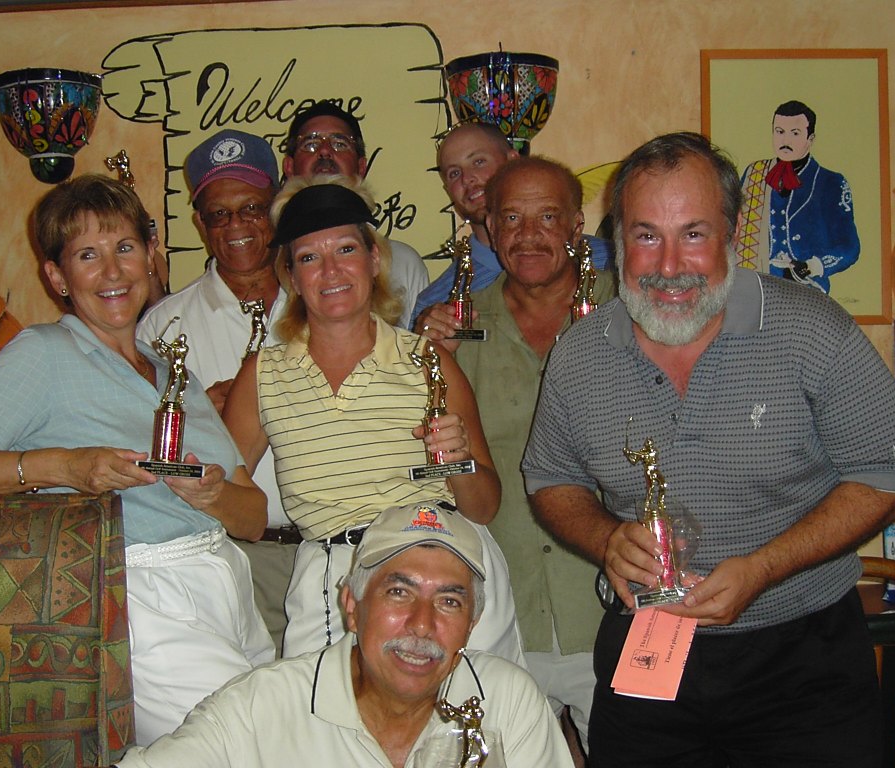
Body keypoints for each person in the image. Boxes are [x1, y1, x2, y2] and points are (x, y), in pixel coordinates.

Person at [522, 131, 895, 766]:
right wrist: (606, 539)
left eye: (693, 234)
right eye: (647, 235)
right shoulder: (578, 356)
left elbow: (888, 474)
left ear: (730, 235)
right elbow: (550, 480)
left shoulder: (812, 330)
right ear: (618, 241)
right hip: (647, 654)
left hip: (803, 659)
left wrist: (763, 569)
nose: (670, 266)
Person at [0, 174, 274, 747]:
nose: (112, 271)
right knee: (252, 746)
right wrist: (66, 467)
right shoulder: (43, 352)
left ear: (150, 254)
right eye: (87, 255)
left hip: (228, 583)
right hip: (138, 594)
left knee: (264, 740)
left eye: (124, 247)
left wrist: (212, 494)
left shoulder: (173, 373)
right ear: (57, 277)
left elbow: (252, 517)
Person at [222, 176, 524, 664]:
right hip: (333, 582)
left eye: (346, 249)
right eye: (309, 258)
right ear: (291, 277)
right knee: (327, 714)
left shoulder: (428, 361)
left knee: (466, 713)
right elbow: (233, 501)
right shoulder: (263, 375)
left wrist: (460, 460)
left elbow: (485, 506)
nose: (331, 271)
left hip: (442, 563)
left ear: (374, 259)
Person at [116, 502, 574, 768]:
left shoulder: (507, 700)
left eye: (449, 602)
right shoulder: (263, 706)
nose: (422, 624)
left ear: (472, 624)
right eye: (399, 592)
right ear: (352, 606)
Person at [422, 155, 616, 755]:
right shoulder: (453, 329)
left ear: (577, 225)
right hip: (500, 615)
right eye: (511, 218)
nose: (528, 235)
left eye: (548, 217)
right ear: (489, 226)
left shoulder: (630, 310)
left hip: (612, 607)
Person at [137, 129, 296, 652]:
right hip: (220, 554)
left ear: (276, 209)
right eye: (218, 215)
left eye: (252, 209)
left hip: (327, 551)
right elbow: (140, 453)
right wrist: (201, 415)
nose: (236, 227)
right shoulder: (161, 328)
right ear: (200, 224)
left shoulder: (323, 306)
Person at [410, 122, 613, 329]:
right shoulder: (439, 304)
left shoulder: (609, 262)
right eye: (454, 173)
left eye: (478, 162)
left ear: (512, 160)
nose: (467, 179)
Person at [282, 100, 429, 327]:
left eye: (340, 143)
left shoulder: (403, 262)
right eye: (310, 144)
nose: (325, 151)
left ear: (361, 167)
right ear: (289, 167)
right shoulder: (274, 265)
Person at [737, 100, 860, 293]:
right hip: (757, 288)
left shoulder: (831, 182)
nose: (785, 140)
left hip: (808, 290)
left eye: (795, 133)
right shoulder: (754, 174)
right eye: (779, 132)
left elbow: (849, 247)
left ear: (810, 139)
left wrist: (812, 266)